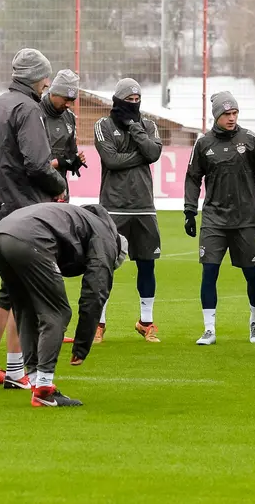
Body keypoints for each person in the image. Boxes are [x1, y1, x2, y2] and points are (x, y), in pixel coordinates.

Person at [0, 48, 67, 389]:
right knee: (22, 291)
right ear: (37, 77)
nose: (47, 83)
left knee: (11, 290)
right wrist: (58, 187)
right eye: (45, 77)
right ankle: (15, 370)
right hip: (23, 208)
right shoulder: (28, 108)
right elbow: (36, 163)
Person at [0, 203, 127, 407]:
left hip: (1, 234)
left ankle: (37, 382)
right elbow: (95, 293)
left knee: (25, 310)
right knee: (57, 312)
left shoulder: (81, 219)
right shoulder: (105, 239)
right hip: (30, 239)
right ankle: (44, 389)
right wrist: (82, 345)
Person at [184, 91, 255, 345]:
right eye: (226, 114)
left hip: (245, 219)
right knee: (209, 272)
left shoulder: (251, 140)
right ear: (216, 116)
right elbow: (192, 178)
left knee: (252, 274)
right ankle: (209, 329)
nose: (231, 118)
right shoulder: (203, 144)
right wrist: (190, 211)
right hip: (214, 220)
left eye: (234, 113)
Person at [94, 79, 162, 343]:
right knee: (104, 266)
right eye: (128, 100)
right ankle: (98, 324)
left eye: (137, 100)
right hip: (113, 208)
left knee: (147, 265)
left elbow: (153, 153)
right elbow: (110, 159)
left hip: (144, 208)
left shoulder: (148, 125)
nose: (133, 104)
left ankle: (146, 322)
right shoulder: (103, 125)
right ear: (118, 100)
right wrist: (143, 155)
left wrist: (135, 127)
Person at [42, 69, 87, 200]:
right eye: (66, 99)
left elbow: (70, 154)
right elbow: (32, 164)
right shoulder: (34, 112)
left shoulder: (69, 117)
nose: (68, 104)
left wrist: (75, 161)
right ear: (54, 92)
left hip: (61, 192)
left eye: (72, 100)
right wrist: (60, 162)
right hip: (36, 193)